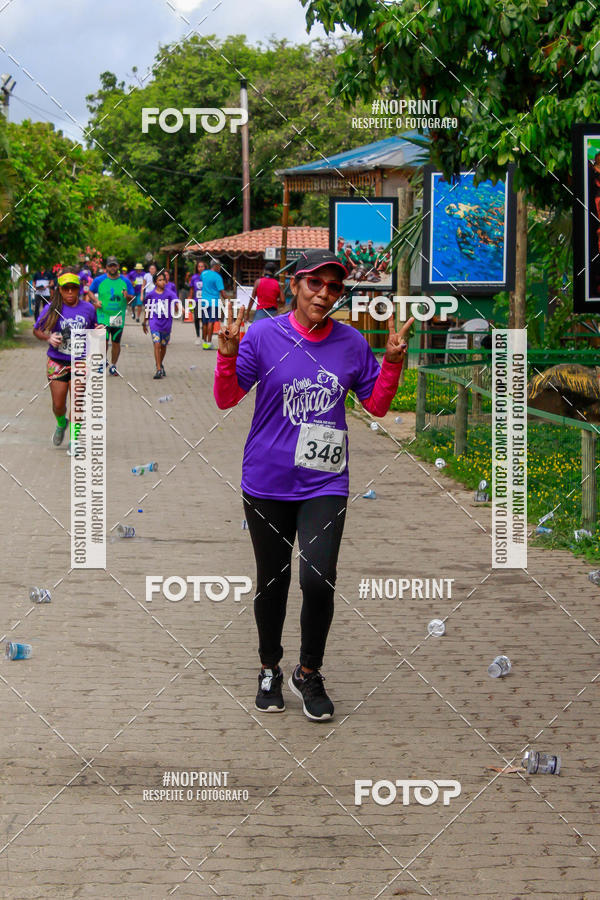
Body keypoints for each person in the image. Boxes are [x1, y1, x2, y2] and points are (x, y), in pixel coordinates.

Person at [213, 249, 413, 721]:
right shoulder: (263, 335)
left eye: (334, 287)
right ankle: (269, 668)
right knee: (274, 580)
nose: (324, 294)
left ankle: (308, 671)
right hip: (266, 480)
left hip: (325, 481)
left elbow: (377, 407)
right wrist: (225, 357)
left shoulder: (350, 343)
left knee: (318, 579)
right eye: (315, 284)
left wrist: (391, 363)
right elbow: (225, 399)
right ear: (296, 286)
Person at [32, 267, 103, 454]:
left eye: (73, 288)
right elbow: (37, 329)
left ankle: (74, 440)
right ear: (60, 290)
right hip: (57, 361)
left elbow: (94, 329)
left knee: (78, 401)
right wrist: (48, 338)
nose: (70, 292)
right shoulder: (52, 308)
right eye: (66, 289)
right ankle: (61, 423)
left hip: (80, 361)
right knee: (58, 405)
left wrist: (98, 330)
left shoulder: (88, 308)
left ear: (79, 289)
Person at [89, 256, 135, 375]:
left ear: (118, 266)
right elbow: (89, 291)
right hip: (103, 316)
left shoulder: (125, 281)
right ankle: (102, 361)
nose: (112, 268)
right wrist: (95, 301)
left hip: (118, 317)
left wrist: (127, 296)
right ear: (106, 267)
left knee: (116, 342)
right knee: (102, 341)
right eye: (110, 265)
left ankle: (113, 365)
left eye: (114, 265)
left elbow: (132, 297)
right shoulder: (99, 280)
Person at [142, 271, 173, 379]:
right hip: (154, 322)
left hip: (167, 323)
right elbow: (148, 309)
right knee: (157, 344)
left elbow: (176, 301)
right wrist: (144, 322)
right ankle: (158, 369)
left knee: (163, 346)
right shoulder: (150, 295)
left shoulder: (169, 293)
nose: (162, 282)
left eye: (164, 280)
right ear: (155, 282)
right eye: (160, 280)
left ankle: (159, 363)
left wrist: (182, 309)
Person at [200, 259, 226, 349]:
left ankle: (204, 342)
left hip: (204, 302)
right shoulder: (218, 277)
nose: (220, 268)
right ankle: (209, 343)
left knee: (204, 323)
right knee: (211, 322)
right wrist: (228, 300)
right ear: (215, 266)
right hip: (213, 303)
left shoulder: (203, 274)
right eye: (219, 266)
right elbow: (222, 292)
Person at [188, 260, 206, 344]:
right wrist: (190, 300)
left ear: (205, 267)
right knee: (196, 318)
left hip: (206, 301)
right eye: (199, 266)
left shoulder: (207, 276)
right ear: (197, 268)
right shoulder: (194, 277)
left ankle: (204, 337)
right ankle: (198, 336)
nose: (200, 268)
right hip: (196, 301)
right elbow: (191, 289)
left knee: (205, 319)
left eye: (202, 266)